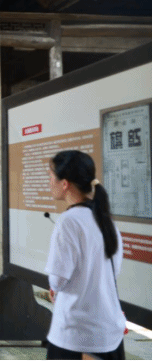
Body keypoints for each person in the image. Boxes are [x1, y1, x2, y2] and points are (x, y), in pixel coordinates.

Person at [45, 150, 126, 360]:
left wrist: (54, 289)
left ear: (65, 184)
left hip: (76, 335)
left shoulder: (69, 221)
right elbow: (114, 270)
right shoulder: (105, 219)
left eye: (51, 176)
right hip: (109, 333)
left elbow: (58, 280)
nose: (49, 182)